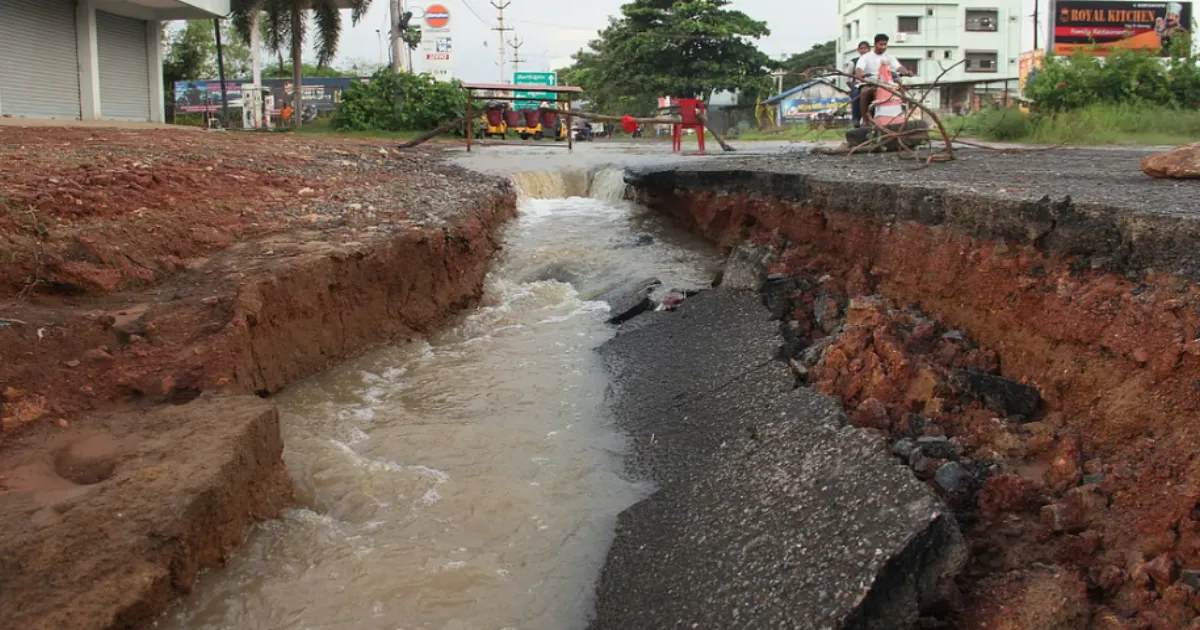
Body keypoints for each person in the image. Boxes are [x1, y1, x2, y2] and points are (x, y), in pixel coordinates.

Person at [856, 34, 911, 127]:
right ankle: (865, 120)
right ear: (875, 44)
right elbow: (859, 70)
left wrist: (906, 71)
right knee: (864, 92)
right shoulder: (865, 57)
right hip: (870, 82)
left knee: (902, 92)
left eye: (885, 44)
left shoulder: (889, 57)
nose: (883, 47)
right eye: (881, 44)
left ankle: (904, 116)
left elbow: (898, 67)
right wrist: (860, 75)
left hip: (887, 82)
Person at [849, 41, 871, 127]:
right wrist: (853, 87)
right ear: (858, 50)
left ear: (869, 50)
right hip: (858, 84)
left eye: (865, 48)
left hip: (873, 82)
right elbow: (848, 79)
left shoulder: (874, 60)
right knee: (856, 95)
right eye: (861, 48)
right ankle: (856, 119)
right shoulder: (853, 62)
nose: (863, 50)